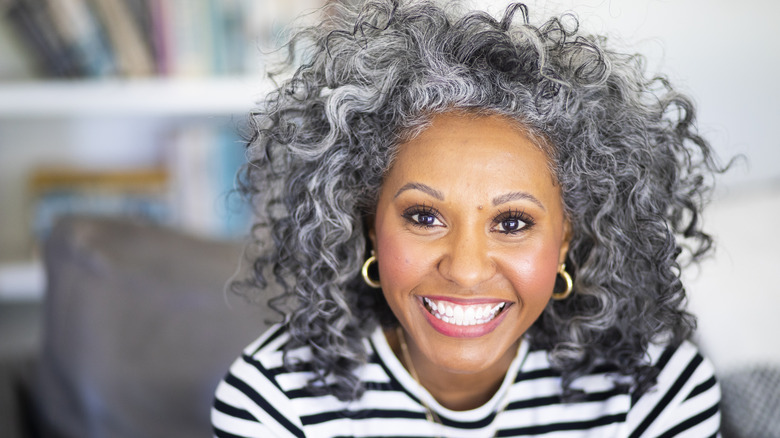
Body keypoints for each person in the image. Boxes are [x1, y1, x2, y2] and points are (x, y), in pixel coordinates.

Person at [212, 1, 723, 436]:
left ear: (567, 236)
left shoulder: (656, 391)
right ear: (368, 224)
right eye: (424, 217)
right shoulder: (274, 400)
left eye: (513, 223)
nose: (466, 270)